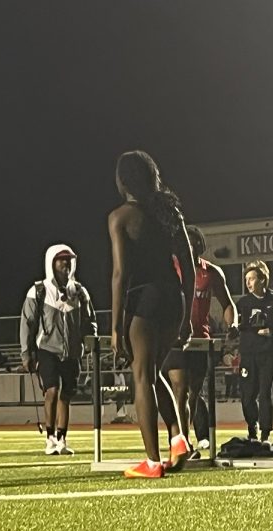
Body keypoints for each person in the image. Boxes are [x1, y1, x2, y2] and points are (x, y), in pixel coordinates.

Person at [109, 150, 196, 479]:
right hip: (173, 297)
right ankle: (177, 439)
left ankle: (152, 460)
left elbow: (119, 275)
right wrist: (186, 315)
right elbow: (187, 265)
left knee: (141, 376)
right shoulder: (169, 212)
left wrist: (116, 326)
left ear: (123, 181)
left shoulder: (120, 217)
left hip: (143, 297)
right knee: (154, 371)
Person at [161, 225, 235, 455]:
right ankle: (182, 441)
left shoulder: (212, 273)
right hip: (174, 338)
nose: (189, 246)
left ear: (200, 246)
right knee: (179, 389)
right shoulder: (169, 270)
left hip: (200, 339)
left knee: (193, 394)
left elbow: (228, 304)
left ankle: (185, 436)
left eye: (193, 243)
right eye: (185, 242)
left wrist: (232, 324)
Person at [20, 243, 97, 456]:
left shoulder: (79, 292)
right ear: (51, 263)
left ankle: (62, 438)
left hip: (72, 352)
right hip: (46, 349)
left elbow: (89, 320)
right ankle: (50, 438)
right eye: (61, 260)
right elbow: (27, 322)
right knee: (52, 390)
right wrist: (26, 353)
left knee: (66, 394)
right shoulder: (38, 291)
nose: (66, 264)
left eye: (69, 260)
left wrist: (90, 340)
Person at [236, 260, 273, 442]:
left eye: (252, 279)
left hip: (267, 355)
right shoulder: (243, 303)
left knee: (265, 393)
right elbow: (235, 326)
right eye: (246, 279)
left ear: (262, 280)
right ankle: (251, 427)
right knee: (247, 395)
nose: (248, 283)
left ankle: (265, 432)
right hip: (247, 355)